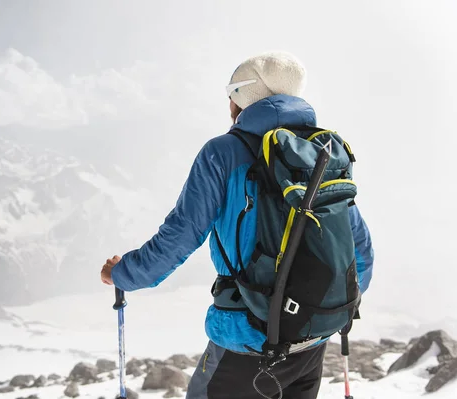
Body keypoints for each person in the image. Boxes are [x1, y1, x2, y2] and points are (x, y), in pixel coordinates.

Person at [100, 51, 374, 399]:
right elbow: (359, 249)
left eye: (232, 89)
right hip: (312, 340)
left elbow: (182, 234)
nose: (227, 99)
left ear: (246, 96)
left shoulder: (224, 152)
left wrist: (124, 273)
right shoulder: (324, 151)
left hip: (248, 339)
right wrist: (321, 308)